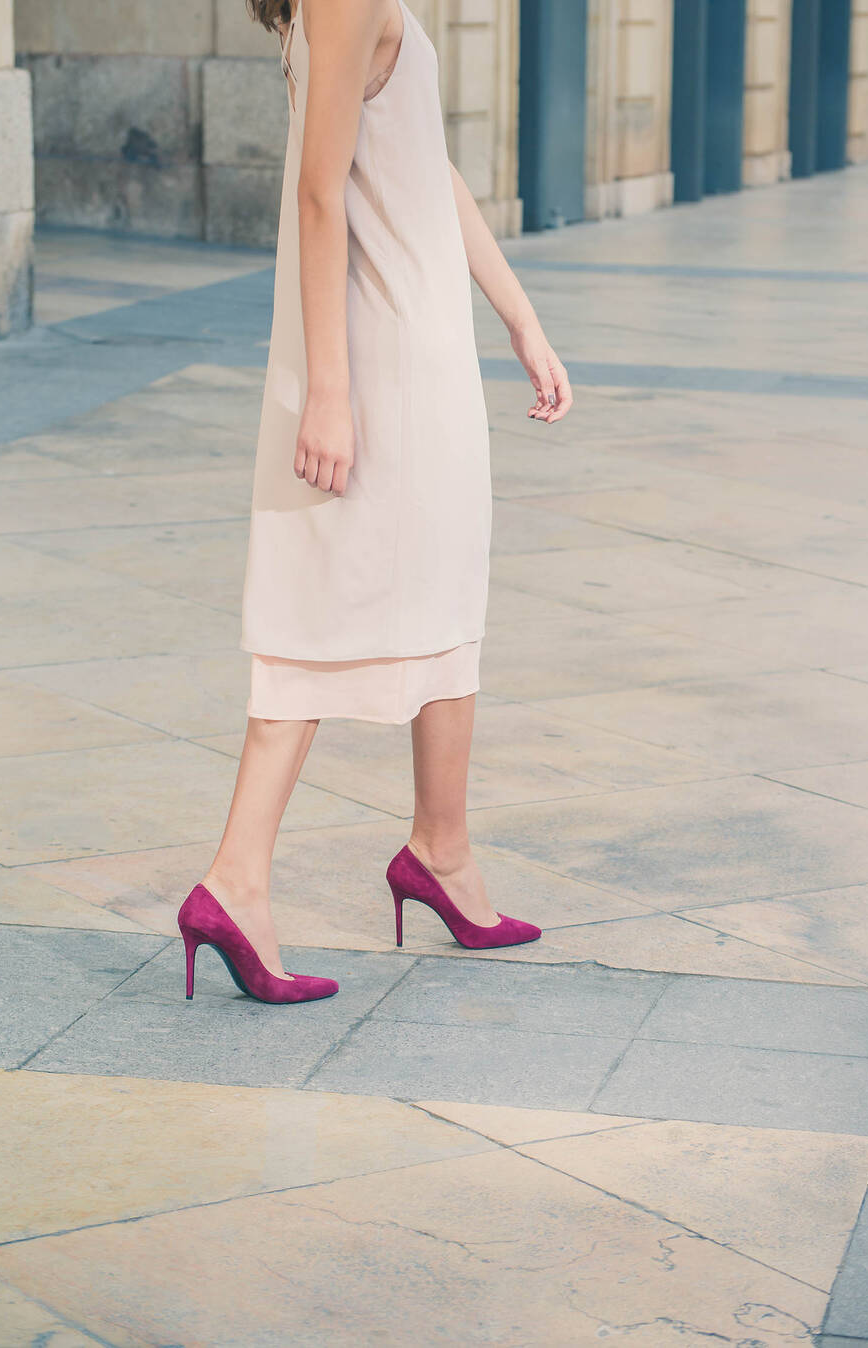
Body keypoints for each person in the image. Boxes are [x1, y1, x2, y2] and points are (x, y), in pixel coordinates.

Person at [178, 0, 573, 1004]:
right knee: (321, 607)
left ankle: (440, 848)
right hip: (380, 356)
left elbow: (424, 169)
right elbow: (318, 194)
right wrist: (330, 392)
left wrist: (520, 317)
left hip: (412, 342)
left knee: (442, 589)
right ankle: (237, 878)